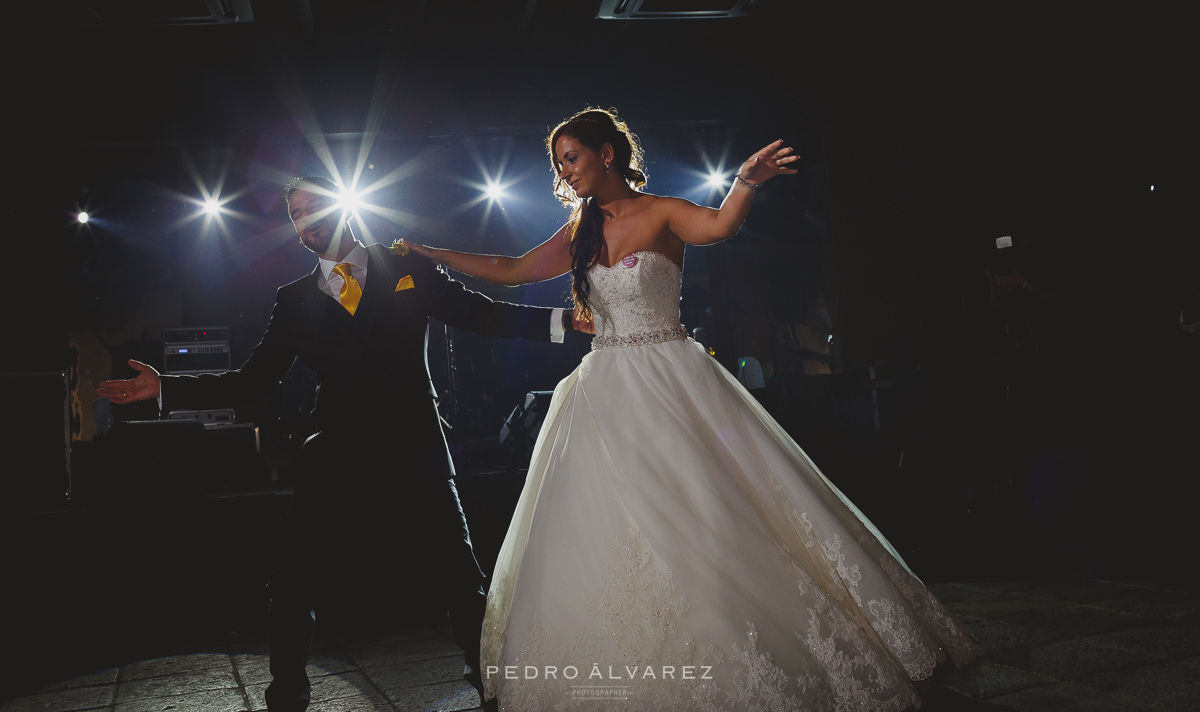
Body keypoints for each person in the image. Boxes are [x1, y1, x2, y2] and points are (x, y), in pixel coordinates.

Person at [402, 108, 983, 710]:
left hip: (673, 378)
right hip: (604, 390)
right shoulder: (580, 231)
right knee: (605, 519)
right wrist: (432, 253)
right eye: (558, 164)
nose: (564, 172)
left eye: (571, 158)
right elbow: (513, 270)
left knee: (709, 507)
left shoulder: (662, 212)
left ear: (607, 153)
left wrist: (747, 181)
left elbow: (722, 227)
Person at [97, 175, 574, 712]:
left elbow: (484, 315)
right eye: (295, 216)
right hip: (335, 451)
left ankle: (489, 680)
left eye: (313, 208)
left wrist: (564, 321)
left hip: (413, 442)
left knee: (458, 574)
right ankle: (287, 693)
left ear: (343, 207)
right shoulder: (293, 301)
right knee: (294, 583)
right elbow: (254, 381)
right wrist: (166, 387)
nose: (305, 223)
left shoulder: (404, 266)